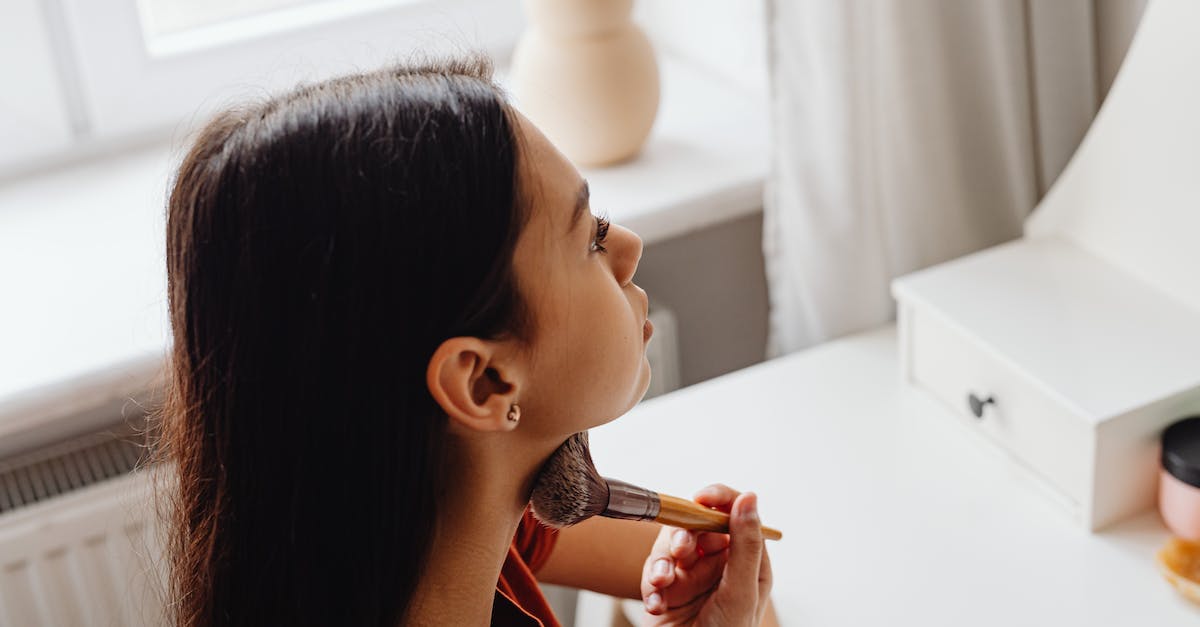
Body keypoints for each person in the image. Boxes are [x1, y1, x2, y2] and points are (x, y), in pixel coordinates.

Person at [157, 53, 775, 626]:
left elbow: (719, 573)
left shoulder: (449, 525)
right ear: (483, 382)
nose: (628, 246)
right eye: (589, 238)